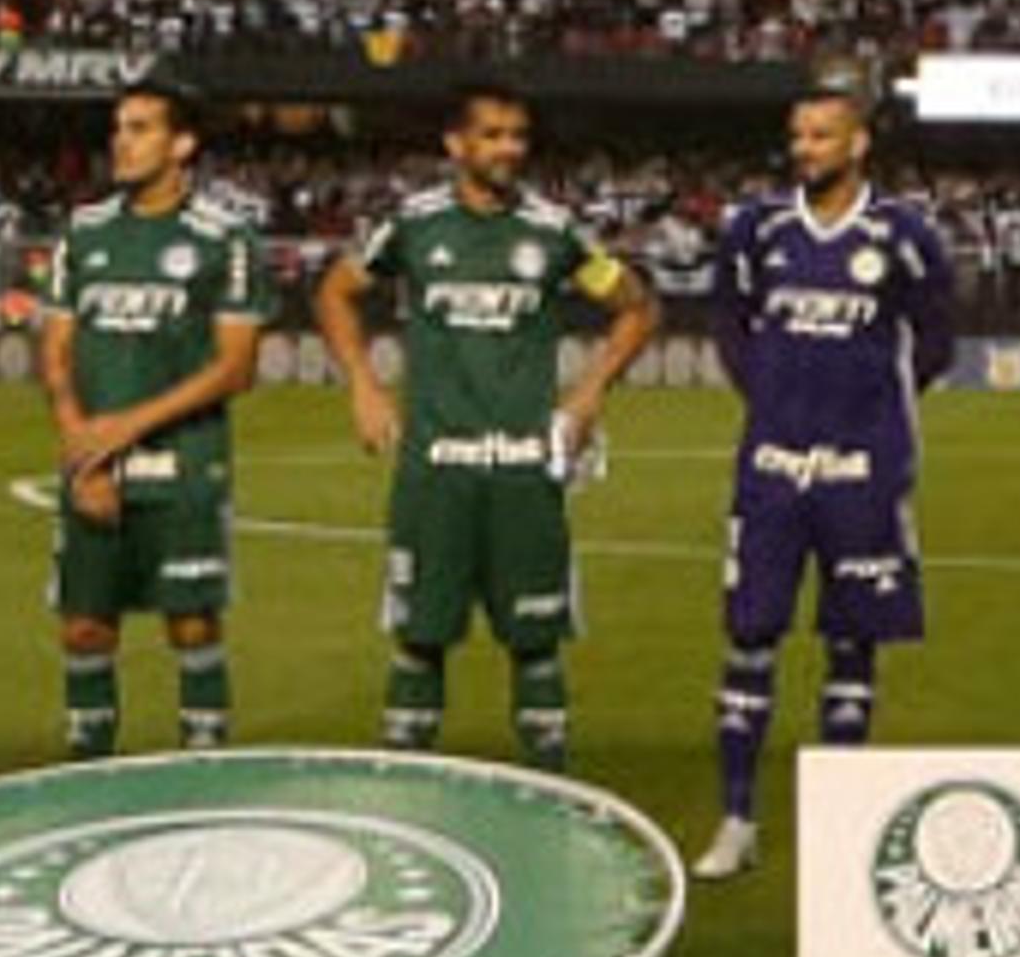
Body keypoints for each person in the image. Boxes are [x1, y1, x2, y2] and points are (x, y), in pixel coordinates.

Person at [315, 78, 658, 772]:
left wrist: (588, 393)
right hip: (434, 467)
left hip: (523, 467)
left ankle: (552, 797)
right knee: (420, 635)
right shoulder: (414, 224)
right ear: (456, 144)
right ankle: (410, 790)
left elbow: (637, 307)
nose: (508, 149)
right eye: (493, 135)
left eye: (517, 137)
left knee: (535, 641)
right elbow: (335, 291)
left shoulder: (552, 230)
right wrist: (364, 386)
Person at [693, 89, 954, 879]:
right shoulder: (756, 230)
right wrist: (774, 401)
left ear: (858, 142)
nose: (804, 147)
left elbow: (935, 339)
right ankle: (737, 819)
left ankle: (840, 822)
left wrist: (868, 416)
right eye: (797, 134)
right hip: (773, 469)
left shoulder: (904, 236)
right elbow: (731, 326)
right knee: (750, 636)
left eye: (821, 134)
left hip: (863, 471)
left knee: (853, 639)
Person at [39, 82, 267, 759]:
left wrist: (126, 427)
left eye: (140, 128)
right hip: (94, 468)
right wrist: (87, 453)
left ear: (182, 144)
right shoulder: (83, 232)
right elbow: (56, 355)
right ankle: (87, 779)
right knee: (84, 629)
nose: (122, 141)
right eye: (118, 127)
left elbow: (236, 367)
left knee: (192, 625)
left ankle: (202, 772)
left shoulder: (225, 238)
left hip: (186, 468)